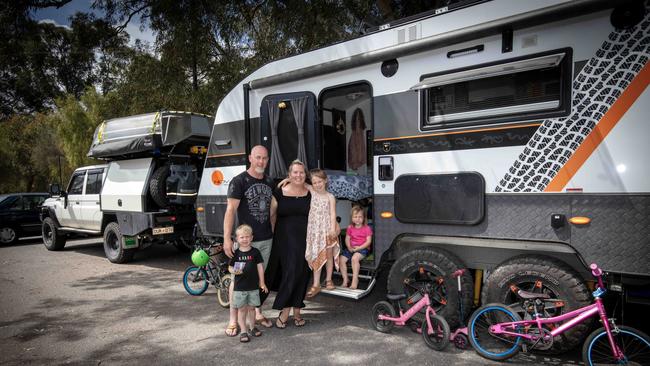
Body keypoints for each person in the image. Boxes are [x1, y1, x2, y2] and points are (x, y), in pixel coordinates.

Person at [223, 145, 274, 337]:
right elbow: (230, 211)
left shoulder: (269, 181)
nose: (261, 162)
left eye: (265, 158)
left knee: (258, 278)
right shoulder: (239, 181)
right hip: (244, 243)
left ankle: (258, 314)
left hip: (265, 240)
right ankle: (233, 320)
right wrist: (227, 238)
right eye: (258, 158)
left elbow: (272, 209)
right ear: (250, 158)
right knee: (238, 280)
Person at [264, 160, 312, 328]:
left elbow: (326, 203)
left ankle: (297, 312)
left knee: (303, 273)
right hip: (284, 239)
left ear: (305, 175)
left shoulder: (311, 192)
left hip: (306, 240)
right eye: (295, 172)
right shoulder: (279, 191)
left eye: (301, 172)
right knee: (291, 272)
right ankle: (284, 311)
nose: (298, 175)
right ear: (289, 174)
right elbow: (272, 215)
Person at [228, 224, 268, 343]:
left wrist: (262, 283)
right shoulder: (235, 253)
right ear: (237, 239)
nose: (245, 239)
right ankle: (243, 331)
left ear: (251, 238)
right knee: (241, 310)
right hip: (239, 288)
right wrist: (234, 271)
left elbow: (260, 267)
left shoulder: (255, 252)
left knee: (251, 308)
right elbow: (229, 267)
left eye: (247, 237)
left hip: (253, 287)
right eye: (242, 237)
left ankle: (252, 327)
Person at [304, 169, 339, 298]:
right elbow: (300, 181)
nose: (317, 184)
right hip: (315, 231)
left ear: (325, 180)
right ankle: (316, 283)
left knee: (328, 255)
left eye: (320, 181)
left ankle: (329, 279)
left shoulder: (330, 197)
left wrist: (333, 229)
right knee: (316, 255)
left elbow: (333, 213)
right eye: (314, 182)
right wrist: (287, 179)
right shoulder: (312, 192)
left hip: (327, 229)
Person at [339, 206, 372, 289]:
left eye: (360, 217)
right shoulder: (350, 227)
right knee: (341, 260)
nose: (358, 219)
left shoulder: (367, 228)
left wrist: (359, 248)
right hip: (352, 248)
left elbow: (368, 242)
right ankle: (345, 279)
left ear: (364, 218)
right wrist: (349, 247)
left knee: (354, 258)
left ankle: (355, 280)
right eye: (355, 217)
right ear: (352, 218)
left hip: (363, 248)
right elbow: (347, 239)